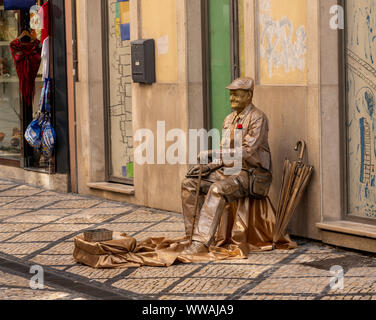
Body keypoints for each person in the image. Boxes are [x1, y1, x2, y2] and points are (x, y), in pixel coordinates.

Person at [181, 77, 272, 255]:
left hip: (251, 173)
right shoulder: (229, 119)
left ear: (249, 95)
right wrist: (206, 167)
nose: (232, 99)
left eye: (237, 96)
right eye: (231, 96)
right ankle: (192, 236)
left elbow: (246, 151)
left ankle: (201, 243)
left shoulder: (258, 118)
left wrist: (212, 153)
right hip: (229, 171)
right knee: (189, 183)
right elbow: (224, 153)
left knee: (217, 189)